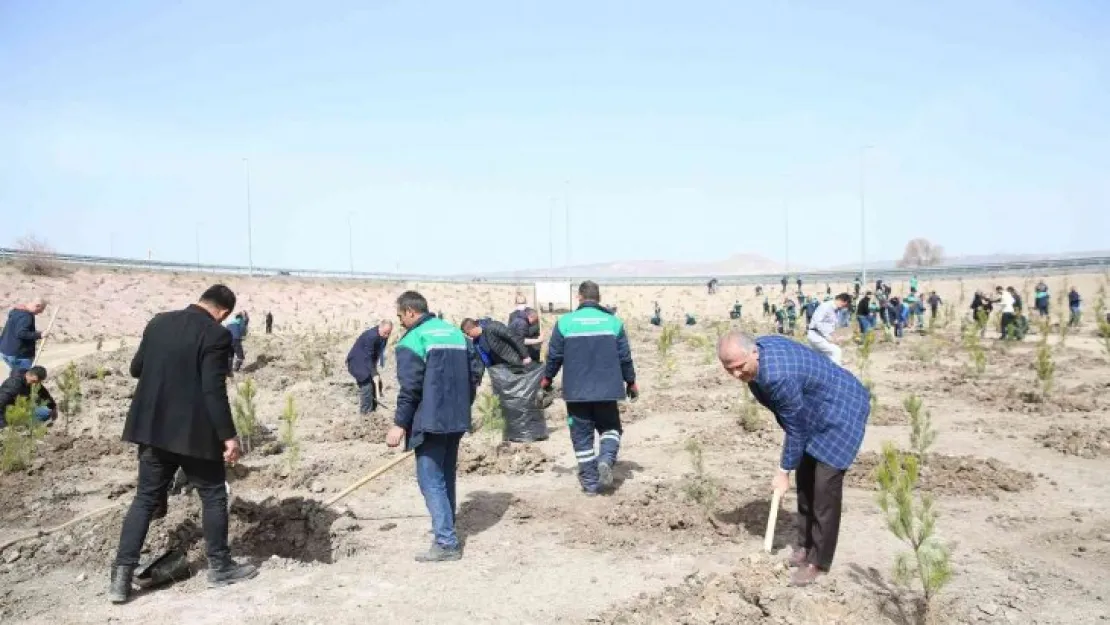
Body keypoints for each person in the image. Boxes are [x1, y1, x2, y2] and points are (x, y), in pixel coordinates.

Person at [110, 285, 257, 604]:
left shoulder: (158, 322)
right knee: (214, 493)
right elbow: (212, 390)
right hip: (193, 433)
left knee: (145, 498)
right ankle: (220, 566)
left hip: (152, 428)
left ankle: (120, 578)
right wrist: (228, 436)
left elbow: (136, 368)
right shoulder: (217, 336)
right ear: (224, 313)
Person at [717, 331, 869, 587]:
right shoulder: (760, 354)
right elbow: (794, 421)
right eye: (729, 369)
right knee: (806, 479)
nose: (736, 375)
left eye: (740, 367)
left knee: (824, 488)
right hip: (814, 408)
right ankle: (804, 546)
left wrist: (783, 470)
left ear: (754, 352)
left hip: (841, 410)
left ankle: (818, 561)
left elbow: (795, 427)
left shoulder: (778, 377)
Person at [386, 291, 481, 562]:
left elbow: (410, 388)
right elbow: (475, 374)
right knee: (446, 475)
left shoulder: (414, 339)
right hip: (457, 419)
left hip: (430, 421)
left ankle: (446, 542)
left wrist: (399, 424)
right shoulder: (455, 334)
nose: (400, 322)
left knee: (430, 479)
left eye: (400, 316)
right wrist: (465, 405)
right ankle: (446, 529)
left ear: (410, 312)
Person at [542, 281, 637, 495]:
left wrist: (546, 380)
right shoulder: (613, 322)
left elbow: (554, 356)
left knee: (581, 436)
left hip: (576, 393)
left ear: (579, 297)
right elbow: (625, 357)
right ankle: (605, 459)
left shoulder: (565, 322)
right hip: (607, 391)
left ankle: (590, 484)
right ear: (599, 298)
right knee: (611, 428)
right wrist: (631, 382)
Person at [346, 320, 393, 414]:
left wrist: (375, 370)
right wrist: (374, 373)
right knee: (367, 384)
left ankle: (373, 411)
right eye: (385, 333)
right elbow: (368, 356)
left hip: (367, 360)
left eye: (389, 333)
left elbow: (376, 353)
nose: (386, 336)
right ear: (380, 327)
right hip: (356, 361)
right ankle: (366, 415)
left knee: (377, 383)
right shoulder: (371, 336)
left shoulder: (382, 335)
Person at [461, 317, 531, 368]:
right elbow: (483, 359)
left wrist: (525, 356)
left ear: (473, 328)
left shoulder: (493, 326)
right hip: (501, 369)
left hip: (515, 361)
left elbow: (513, 338)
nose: (468, 336)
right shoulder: (476, 343)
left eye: (468, 333)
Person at [0, 297, 48, 371]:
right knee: (24, 378)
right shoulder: (26, 316)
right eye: (41, 310)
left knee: (15, 375)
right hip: (19, 354)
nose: (40, 312)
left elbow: (16, 329)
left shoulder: (16, 311)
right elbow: (21, 333)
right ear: (37, 305)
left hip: (5, 351)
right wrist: (39, 335)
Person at [807, 294, 851, 365]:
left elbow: (830, 327)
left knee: (821, 359)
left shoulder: (836, 311)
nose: (844, 307)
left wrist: (835, 338)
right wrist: (828, 338)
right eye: (845, 305)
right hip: (815, 335)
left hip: (822, 336)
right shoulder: (826, 306)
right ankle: (836, 374)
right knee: (836, 351)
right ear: (842, 301)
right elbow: (817, 323)